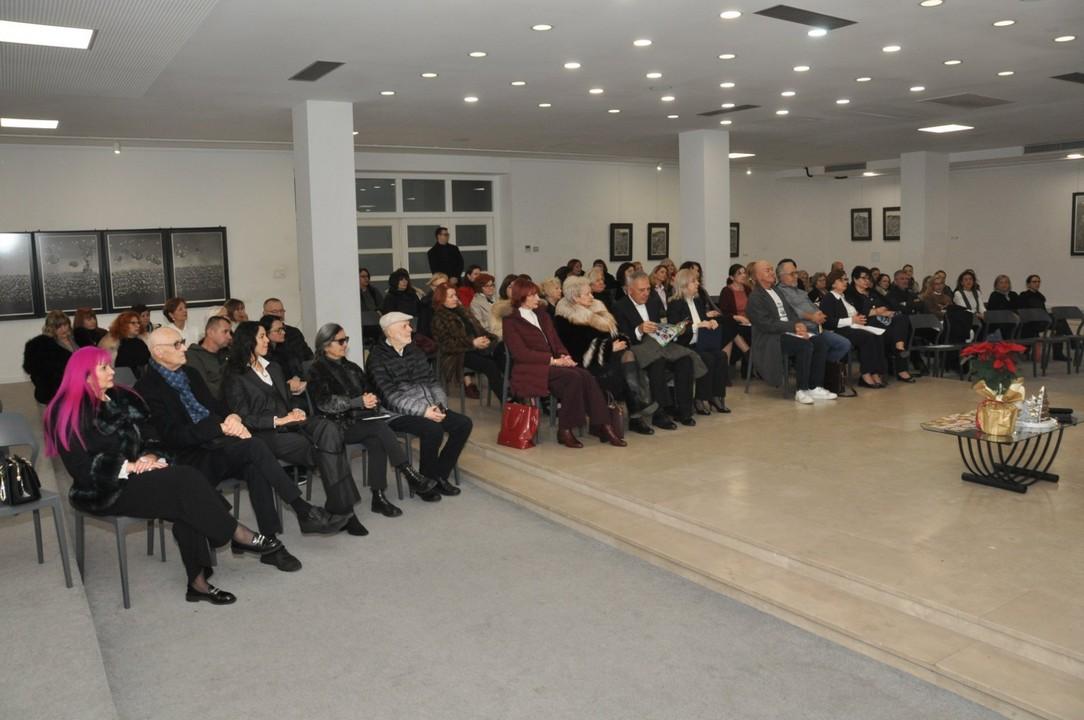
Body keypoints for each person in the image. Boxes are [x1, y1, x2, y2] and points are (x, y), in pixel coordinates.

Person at [46, 347, 281, 605]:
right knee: (185, 483)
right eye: (104, 368)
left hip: (142, 474)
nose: (112, 371)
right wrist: (128, 467)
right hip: (102, 489)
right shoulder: (66, 411)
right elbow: (80, 469)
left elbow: (151, 435)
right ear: (85, 375)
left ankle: (198, 583)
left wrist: (150, 455)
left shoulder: (123, 398)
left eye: (110, 365)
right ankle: (236, 534)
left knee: (185, 498)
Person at [135, 327, 347, 572]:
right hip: (187, 459)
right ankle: (301, 511)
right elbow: (172, 437)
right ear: (159, 352)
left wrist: (232, 418)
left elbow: (217, 406)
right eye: (177, 344)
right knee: (255, 448)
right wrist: (219, 427)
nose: (184, 347)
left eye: (182, 342)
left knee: (254, 463)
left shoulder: (190, 374)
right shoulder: (147, 389)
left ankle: (271, 543)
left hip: (215, 445)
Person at [223, 322, 376, 532]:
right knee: (327, 451)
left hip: (293, 422)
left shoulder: (273, 367)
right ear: (248, 341)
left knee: (329, 429)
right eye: (262, 337)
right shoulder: (234, 375)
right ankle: (346, 512)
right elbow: (242, 416)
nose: (267, 340)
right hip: (267, 433)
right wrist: (278, 420)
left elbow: (287, 400)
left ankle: (340, 509)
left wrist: (297, 409)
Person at [306, 322, 443, 506]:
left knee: (377, 439)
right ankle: (409, 473)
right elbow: (324, 403)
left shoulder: (352, 367)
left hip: (362, 420)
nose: (345, 344)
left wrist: (372, 399)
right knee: (379, 429)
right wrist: (356, 402)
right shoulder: (316, 370)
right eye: (340, 341)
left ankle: (378, 497)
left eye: (346, 339)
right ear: (325, 345)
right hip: (335, 425)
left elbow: (370, 392)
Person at [503, 279, 625, 448]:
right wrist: (553, 360)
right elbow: (521, 354)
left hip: (553, 365)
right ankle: (566, 430)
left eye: (537, 294)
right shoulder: (511, 321)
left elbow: (556, 341)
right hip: (531, 369)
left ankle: (604, 425)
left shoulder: (542, 315)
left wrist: (565, 356)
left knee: (584, 375)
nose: (538, 298)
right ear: (521, 297)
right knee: (573, 378)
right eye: (532, 295)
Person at [367, 313, 472, 491]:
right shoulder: (377, 358)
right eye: (405, 326)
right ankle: (425, 483)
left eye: (409, 325)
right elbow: (390, 397)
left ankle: (439, 475)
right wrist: (424, 411)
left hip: (429, 406)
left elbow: (432, 382)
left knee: (463, 424)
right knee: (432, 429)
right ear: (389, 332)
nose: (411, 329)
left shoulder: (414, 351)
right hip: (396, 413)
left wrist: (440, 406)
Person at [553, 275, 658, 435]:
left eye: (591, 292)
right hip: (586, 362)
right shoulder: (565, 318)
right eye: (587, 294)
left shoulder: (598, 308)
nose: (592, 296)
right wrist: (608, 348)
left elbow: (615, 334)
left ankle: (636, 409)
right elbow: (576, 350)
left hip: (607, 355)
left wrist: (618, 342)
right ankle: (637, 410)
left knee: (629, 355)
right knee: (621, 367)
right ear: (575, 298)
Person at [613, 271, 699, 429]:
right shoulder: (619, 306)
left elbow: (659, 326)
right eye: (641, 290)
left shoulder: (653, 302)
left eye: (648, 289)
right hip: (636, 348)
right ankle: (660, 412)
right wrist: (639, 330)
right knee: (657, 362)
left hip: (657, 344)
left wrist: (671, 331)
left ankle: (684, 410)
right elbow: (621, 337)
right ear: (629, 290)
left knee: (685, 359)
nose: (646, 293)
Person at [745, 260, 837, 405]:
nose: (772, 272)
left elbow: (791, 312)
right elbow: (766, 324)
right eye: (767, 270)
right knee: (804, 346)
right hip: (772, 337)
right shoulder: (755, 297)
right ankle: (802, 390)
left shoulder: (776, 291)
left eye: (771, 269)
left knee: (820, 342)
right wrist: (793, 327)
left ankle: (815, 386)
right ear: (757, 276)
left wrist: (799, 325)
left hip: (788, 331)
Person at [667, 268, 731, 415]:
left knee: (721, 356)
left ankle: (717, 396)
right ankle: (700, 398)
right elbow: (676, 329)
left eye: (697, 281)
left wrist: (711, 321)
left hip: (701, 342)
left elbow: (702, 319)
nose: (697, 284)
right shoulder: (675, 304)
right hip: (684, 344)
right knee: (707, 358)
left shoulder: (697, 301)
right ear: (684, 284)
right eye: (694, 281)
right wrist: (698, 326)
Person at [774, 259, 852, 379]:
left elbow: (812, 306)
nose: (796, 276)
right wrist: (812, 317)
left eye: (796, 273)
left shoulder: (800, 292)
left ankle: (821, 371)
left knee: (844, 344)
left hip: (816, 327)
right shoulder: (779, 293)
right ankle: (816, 374)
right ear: (781, 276)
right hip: (801, 330)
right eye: (792, 274)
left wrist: (819, 314)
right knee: (821, 345)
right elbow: (791, 311)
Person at [430, 282, 503, 402]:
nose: (455, 298)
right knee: (490, 365)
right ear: (441, 300)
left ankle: (514, 394)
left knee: (503, 353)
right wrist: (472, 343)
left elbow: (480, 330)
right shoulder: (438, 318)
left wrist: (489, 338)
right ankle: (507, 400)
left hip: (477, 348)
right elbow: (446, 345)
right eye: (451, 296)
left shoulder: (463, 311)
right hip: (457, 355)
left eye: (455, 295)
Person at [845, 266, 915, 382]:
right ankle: (894, 360)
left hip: (882, 320)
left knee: (902, 318)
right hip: (866, 323)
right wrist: (876, 311)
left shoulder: (872, 291)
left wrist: (882, 311)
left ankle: (900, 347)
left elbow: (888, 304)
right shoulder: (850, 294)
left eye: (868, 278)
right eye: (863, 278)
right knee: (889, 332)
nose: (867, 281)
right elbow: (858, 313)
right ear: (855, 279)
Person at [820, 270, 888, 388]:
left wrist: (859, 318)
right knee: (867, 337)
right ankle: (865, 374)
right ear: (833, 283)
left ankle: (875, 372)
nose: (845, 282)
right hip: (839, 330)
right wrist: (852, 320)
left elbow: (853, 313)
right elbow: (828, 322)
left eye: (846, 279)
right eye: (841, 280)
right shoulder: (829, 298)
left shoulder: (845, 297)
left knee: (877, 335)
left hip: (853, 327)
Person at [23, 310, 76, 404]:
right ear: (51, 328)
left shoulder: (76, 339)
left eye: (65, 325)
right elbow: (36, 372)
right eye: (58, 327)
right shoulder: (44, 346)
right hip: (55, 396)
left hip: (78, 392)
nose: (63, 329)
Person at [186, 316, 233, 400]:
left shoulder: (227, 353)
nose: (229, 337)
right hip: (215, 402)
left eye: (230, 332)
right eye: (225, 332)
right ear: (210, 332)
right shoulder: (193, 356)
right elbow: (203, 386)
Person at [260, 314, 308, 394]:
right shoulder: (263, 355)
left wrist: (296, 377)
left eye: (283, 329)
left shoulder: (286, 346)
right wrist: (288, 386)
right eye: (278, 330)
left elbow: (296, 366)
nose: (283, 332)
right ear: (266, 333)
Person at [261, 297, 313, 366]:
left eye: (281, 311)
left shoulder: (294, 333)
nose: (279, 314)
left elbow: (308, 356)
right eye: (274, 311)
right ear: (264, 313)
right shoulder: (258, 334)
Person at [718, 263, 753, 363]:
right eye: (739, 273)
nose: (743, 275)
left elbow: (753, 307)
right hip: (735, 322)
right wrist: (738, 318)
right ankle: (748, 353)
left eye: (744, 273)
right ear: (732, 277)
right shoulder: (726, 291)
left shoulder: (747, 289)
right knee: (730, 328)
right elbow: (725, 313)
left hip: (749, 322)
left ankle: (750, 355)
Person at [99, 311, 151, 376]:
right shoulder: (112, 344)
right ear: (123, 325)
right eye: (133, 323)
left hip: (144, 377)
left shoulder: (143, 341)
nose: (138, 325)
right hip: (121, 378)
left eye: (138, 323)